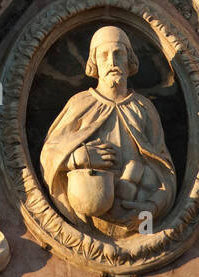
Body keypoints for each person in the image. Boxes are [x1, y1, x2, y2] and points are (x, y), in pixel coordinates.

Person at [40, 25, 177, 235]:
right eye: (104, 55)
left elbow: (164, 169)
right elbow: (49, 154)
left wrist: (153, 206)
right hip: (88, 215)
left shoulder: (143, 109)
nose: (112, 62)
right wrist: (78, 157)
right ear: (94, 62)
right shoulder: (80, 104)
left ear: (129, 59)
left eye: (118, 53)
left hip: (136, 215)